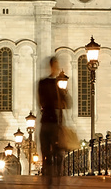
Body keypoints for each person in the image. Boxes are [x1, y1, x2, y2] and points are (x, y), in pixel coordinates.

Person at [37, 56, 66, 186]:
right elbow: (66, 103)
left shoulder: (45, 83)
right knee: (53, 151)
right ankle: (54, 176)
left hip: (49, 121)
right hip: (52, 122)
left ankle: (50, 177)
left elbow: (41, 102)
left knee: (49, 152)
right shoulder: (55, 84)